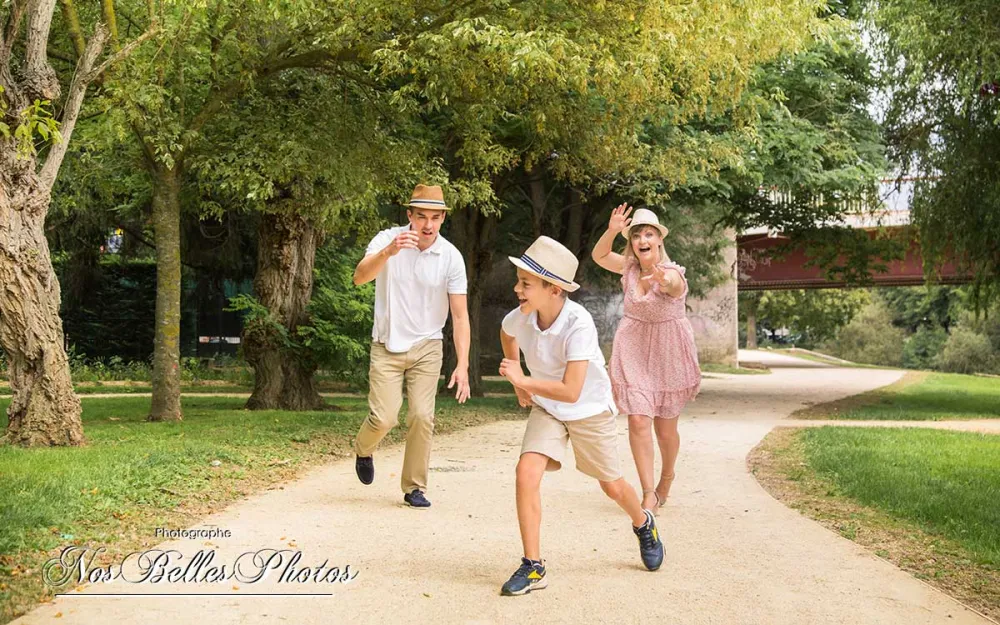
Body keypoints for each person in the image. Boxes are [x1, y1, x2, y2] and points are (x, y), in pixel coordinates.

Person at [497, 235, 664, 596]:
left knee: (612, 486)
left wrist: (523, 380)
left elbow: (572, 390)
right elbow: (506, 334)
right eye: (519, 281)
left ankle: (642, 522)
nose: (517, 289)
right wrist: (517, 377)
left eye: (525, 283)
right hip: (548, 407)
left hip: (588, 409)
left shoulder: (579, 323)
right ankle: (533, 566)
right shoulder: (521, 317)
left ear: (554, 289)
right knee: (526, 472)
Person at [351, 184, 472, 508]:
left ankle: (414, 487)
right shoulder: (387, 239)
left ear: (443, 218)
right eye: (421, 216)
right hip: (387, 344)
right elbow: (359, 277)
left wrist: (463, 365)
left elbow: (460, 316)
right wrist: (389, 252)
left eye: (435, 217)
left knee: (422, 415)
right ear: (409, 215)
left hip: (428, 346)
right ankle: (363, 449)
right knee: (384, 418)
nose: (428, 225)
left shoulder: (451, 257)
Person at [591, 204, 701, 514]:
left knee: (665, 431)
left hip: (668, 353)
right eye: (637, 235)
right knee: (638, 420)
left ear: (659, 240)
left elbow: (675, 286)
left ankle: (667, 476)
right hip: (634, 349)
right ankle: (648, 491)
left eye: (649, 234)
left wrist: (663, 281)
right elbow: (599, 256)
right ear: (632, 243)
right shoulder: (628, 268)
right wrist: (612, 230)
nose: (643, 239)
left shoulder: (672, 272)